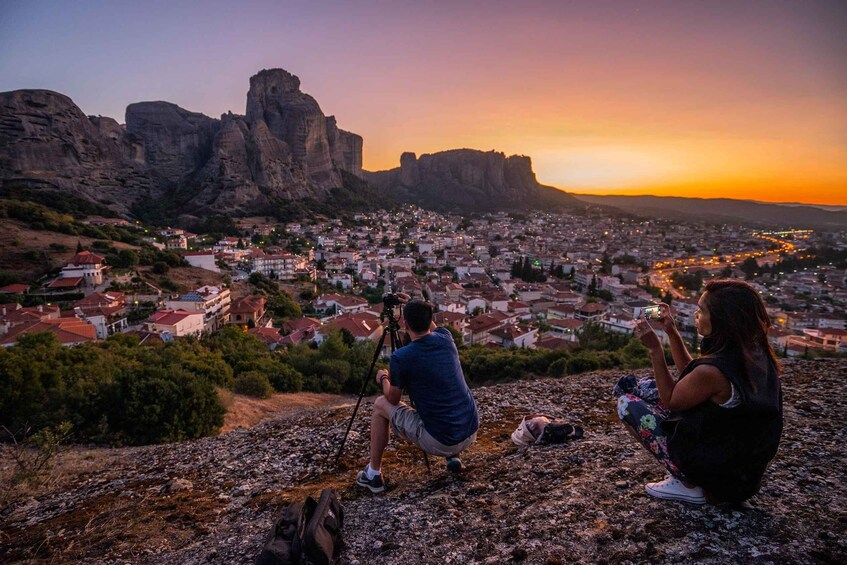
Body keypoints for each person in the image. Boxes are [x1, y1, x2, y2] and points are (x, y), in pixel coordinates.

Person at [614, 279, 782, 504]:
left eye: (702, 311)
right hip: (737, 473)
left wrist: (655, 350)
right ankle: (695, 479)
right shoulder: (753, 353)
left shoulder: (716, 371)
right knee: (644, 387)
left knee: (626, 402)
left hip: (714, 475)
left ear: (722, 320)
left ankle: (688, 484)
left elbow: (672, 400)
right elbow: (693, 377)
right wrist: (672, 333)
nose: (696, 315)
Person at [356, 299, 479, 493]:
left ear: (405, 324)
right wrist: (415, 303)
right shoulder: (446, 338)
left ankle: (373, 474)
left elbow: (393, 399)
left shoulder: (402, 357)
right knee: (439, 396)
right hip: (470, 431)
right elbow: (428, 321)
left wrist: (383, 379)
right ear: (430, 319)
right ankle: (454, 457)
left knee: (380, 405)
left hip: (441, 441)